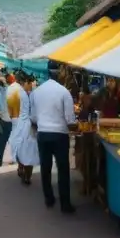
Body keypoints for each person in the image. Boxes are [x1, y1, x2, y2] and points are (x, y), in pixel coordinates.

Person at [31, 76, 77, 213]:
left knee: (45, 168)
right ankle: (65, 204)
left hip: (43, 133)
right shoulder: (63, 92)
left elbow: (33, 117)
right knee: (63, 169)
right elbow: (70, 119)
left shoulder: (36, 92)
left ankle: (49, 198)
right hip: (60, 135)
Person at [15, 77, 41, 184]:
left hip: (28, 127)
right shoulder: (21, 95)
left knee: (26, 149)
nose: (31, 86)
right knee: (25, 149)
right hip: (25, 126)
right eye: (30, 84)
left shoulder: (31, 95)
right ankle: (24, 171)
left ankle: (26, 174)